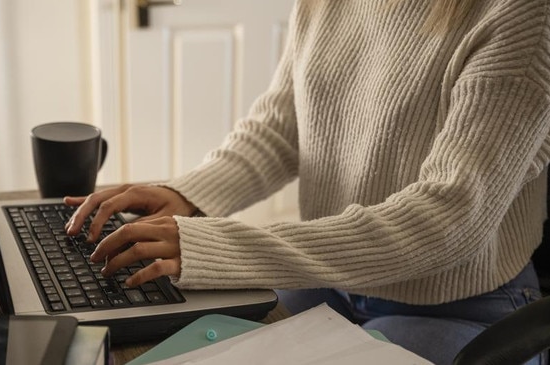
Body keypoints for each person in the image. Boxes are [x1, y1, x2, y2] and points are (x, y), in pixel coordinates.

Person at [65, 0, 550, 363]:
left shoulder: (522, 16)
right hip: (327, 282)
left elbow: (447, 219)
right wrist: (188, 195)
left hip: (458, 305)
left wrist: (218, 247)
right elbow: (281, 129)